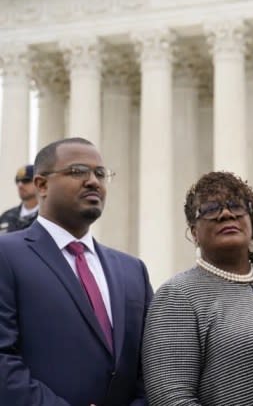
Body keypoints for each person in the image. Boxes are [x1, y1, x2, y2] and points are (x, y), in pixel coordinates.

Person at [0, 137, 153, 405]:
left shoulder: (132, 271)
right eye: (78, 171)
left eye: (101, 174)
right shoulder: (7, 254)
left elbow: (150, 364)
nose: (93, 181)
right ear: (42, 185)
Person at [143, 171, 253, 405]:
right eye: (211, 209)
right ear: (194, 232)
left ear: (251, 222)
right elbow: (171, 398)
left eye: (236, 205)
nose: (226, 214)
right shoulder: (178, 295)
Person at [0, 164, 39, 233]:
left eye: (26, 180)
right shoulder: (6, 216)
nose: (20, 185)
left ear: (38, 183)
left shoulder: (47, 217)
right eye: (17, 181)